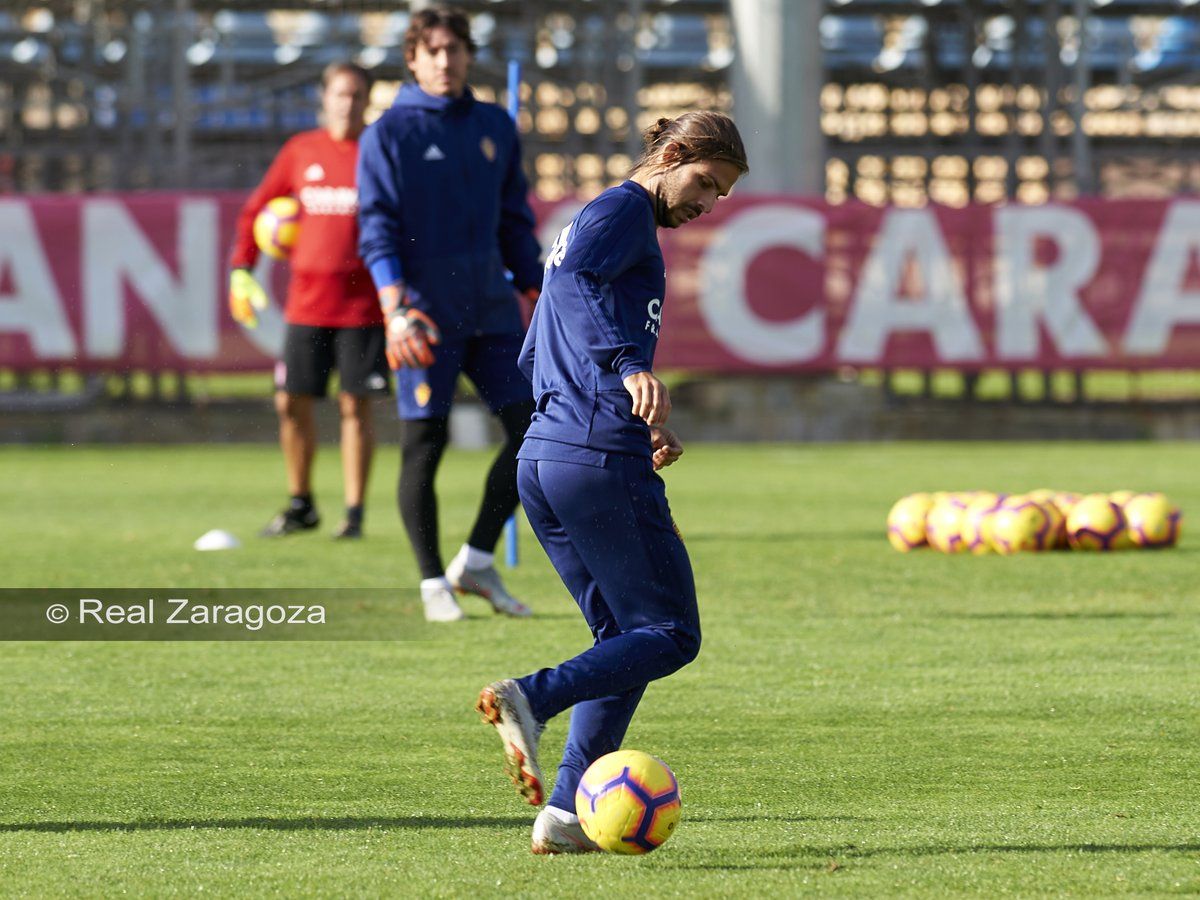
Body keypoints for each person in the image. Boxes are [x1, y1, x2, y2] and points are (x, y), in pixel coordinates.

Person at [475, 111, 748, 854]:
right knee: (670, 634)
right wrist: (628, 370)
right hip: (593, 455)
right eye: (704, 183)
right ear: (673, 155)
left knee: (624, 638)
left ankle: (564, 815)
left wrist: (632, 415)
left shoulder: (599, 219)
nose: (707, 203)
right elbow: (580, 283)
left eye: (720, 195)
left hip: (550, 453)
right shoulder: (624, 210)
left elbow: (540, 346)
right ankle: (533, 696)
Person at [356, 6, 542, 622]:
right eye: (432, 50)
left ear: (467, 55)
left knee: (533, 431)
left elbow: (515, 219)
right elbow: (377, 228)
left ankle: (477, 562)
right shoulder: (388, 134)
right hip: (424, 315)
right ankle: (432, 581)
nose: (445, 60)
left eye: (454, 49)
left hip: (492, 309)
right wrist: (393, 307)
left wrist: (536, 286)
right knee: (424, 443)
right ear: (412, 58)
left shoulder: (495, 125)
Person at [229, 62, 387, 540]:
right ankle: (302, 504)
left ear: (367, 100)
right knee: (289, 403)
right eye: (341, 93)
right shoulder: (301, 151)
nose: (349, 102)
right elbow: (257, 210)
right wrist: (241, 269)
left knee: (355, 407)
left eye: (358, 94)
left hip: (363, 308)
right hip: (306, 305)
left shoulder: (377, 152)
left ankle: (354, 514)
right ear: (325, 98)